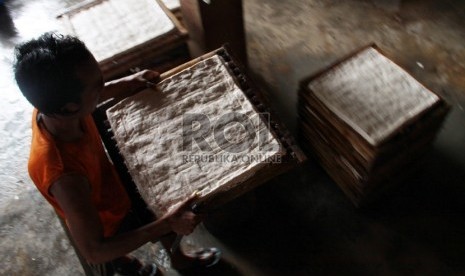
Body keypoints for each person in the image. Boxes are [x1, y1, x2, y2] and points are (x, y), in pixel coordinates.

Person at [14, 32, 220, 275]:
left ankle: (177, 261)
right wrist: (167, 223)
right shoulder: (64, 176)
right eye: (97, 87)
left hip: (108, 186)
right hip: (103, 219)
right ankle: (124, 264)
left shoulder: (50, 101)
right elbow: (94, 250)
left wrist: (129, 82)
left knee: (152, 211)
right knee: (123, 241)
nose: (103, 87)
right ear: (70, 107)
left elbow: (91, 95)